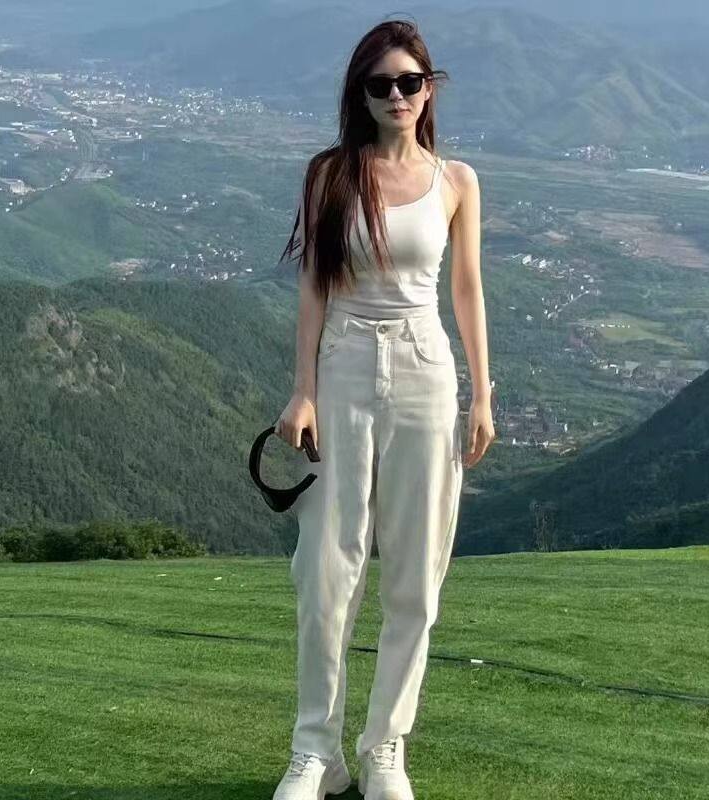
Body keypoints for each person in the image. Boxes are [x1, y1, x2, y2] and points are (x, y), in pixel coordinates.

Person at [272, 18, 494, 800]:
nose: (397, 95)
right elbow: (314, 286)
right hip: (343, 368)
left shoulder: (457, 181)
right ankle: (315, 752)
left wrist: (483, 393)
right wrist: (302, 388)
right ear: (360, 94)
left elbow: (466, 290)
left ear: (429, 88)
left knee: (416, 577)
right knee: (324, 573)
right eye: (381, 84)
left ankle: (384, 749)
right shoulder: (331, 174)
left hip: (427, 371)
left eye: (410, 81)